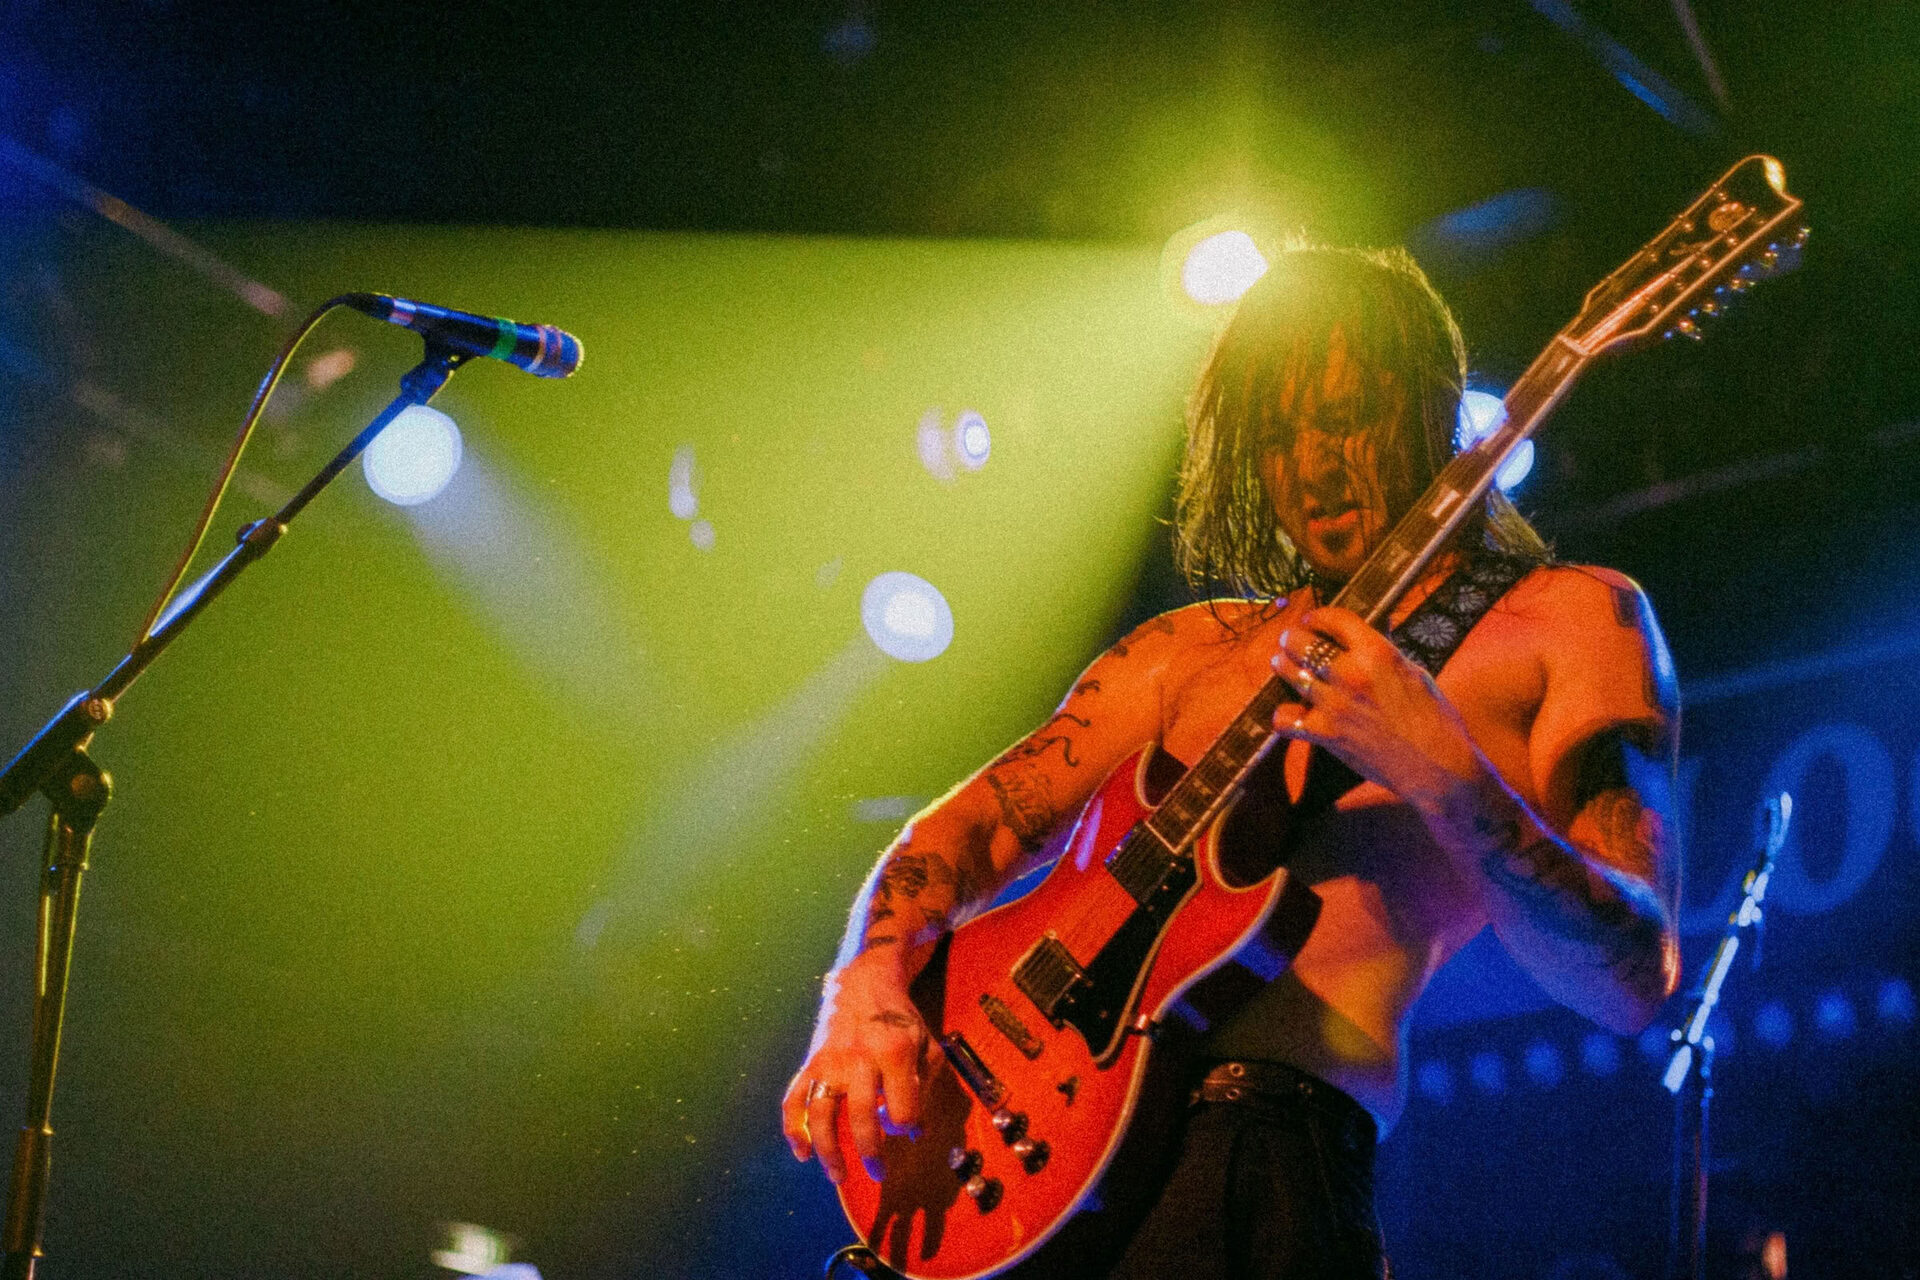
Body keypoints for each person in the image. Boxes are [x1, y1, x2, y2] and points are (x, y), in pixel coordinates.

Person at [782, 244, 1680, 1278]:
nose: (1314, 464)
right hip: (1015, 1177)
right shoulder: (1186, 650)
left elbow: (1632, 975)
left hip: (1264, 1165)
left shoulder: (1567, 619)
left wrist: (1439, 769)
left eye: (1347, 416)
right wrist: (866, 988)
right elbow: (967, 829)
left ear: (1437, 407)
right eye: (1279, 431)